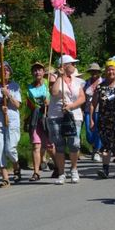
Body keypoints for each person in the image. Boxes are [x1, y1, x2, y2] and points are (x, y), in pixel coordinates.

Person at [48, 55, 86, 185]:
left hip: (73, 115)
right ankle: (61, 173)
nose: (74, 66)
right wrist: (60, 76)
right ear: (64, 66)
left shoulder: (77, 80)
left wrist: (71, 106)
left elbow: (82, 98)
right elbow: (54, 93)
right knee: (59, 145)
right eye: (72, 64)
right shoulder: (54, 78)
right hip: (56, 115)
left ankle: (74, 169)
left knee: (74, 143)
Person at [91, 60, 115, 178]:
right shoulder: (100, 87)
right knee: (106, 145)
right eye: (108, 70)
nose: (110, 72)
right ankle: (105, 169)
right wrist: (91, 119)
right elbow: (93, 104)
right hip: (104, 120)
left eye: (113, 69)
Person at [0, 61, 22, 188]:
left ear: (10, 72)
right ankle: (5, 178)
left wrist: (8, 95)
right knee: (0, 149)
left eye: (6, 70)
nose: (4, 72)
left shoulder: (15, 86)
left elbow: (18, 105)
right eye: (1, 70)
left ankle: (16, 166)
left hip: (12, 120)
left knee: (10, 149)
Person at [25, 62, 53, 182]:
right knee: (36, 145)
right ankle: (36, 172)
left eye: (39, 70)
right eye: (35, 70)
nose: (37, 72)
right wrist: (26, 119)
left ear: (43, 72)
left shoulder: (48, 83)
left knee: (50, 146)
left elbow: (56, 95)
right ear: (32, 73)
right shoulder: (29, 88)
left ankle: (58, 167)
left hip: (47, 117)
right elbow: (29, 105)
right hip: (35, 118)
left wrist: (49, 100)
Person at [83, 63, 103, 162]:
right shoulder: (86, 83)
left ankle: (97, 151)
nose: (94, 73)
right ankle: (94, 145)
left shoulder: (103, 82)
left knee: (98, 131)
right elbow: (83, 97)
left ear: (99, 72)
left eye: (96, 71)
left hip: (100, 110)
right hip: (87, 110)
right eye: (92, 71)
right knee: (89, 132)